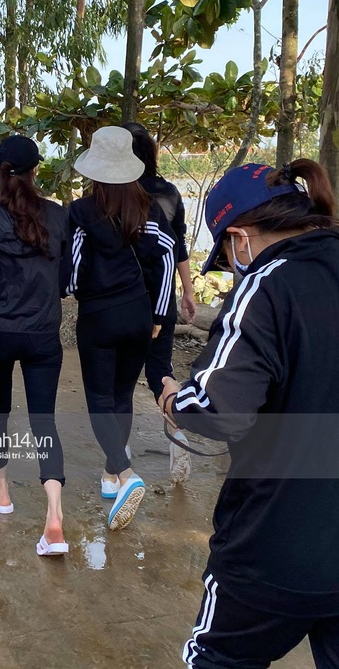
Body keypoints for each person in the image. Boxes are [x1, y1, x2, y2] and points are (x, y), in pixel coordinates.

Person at [160, 160, 339, 668]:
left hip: (275, 546)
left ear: (240, 238)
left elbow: (219, 408)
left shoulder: (266, 285)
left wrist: (177, 399)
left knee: (215, 659)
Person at [0, 135, 69, 556]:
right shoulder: (58, 217)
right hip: (43, 333)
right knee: (45, 420)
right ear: (36, 170)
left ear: (1, 171)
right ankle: (54, 518)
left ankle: (0, 492)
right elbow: (64, 282)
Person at [67, 126, 176, 531]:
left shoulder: (81, 212)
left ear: (94, 169)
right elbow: (166, 256)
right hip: (139, 314)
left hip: (98, 317)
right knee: (122, 396)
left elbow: (74, 269)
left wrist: (72, 288)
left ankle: (126, 472)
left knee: (98, 398)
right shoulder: (148, 210)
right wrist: (160, 316)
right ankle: (111, 477)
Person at [124, 122, 196, 482]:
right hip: (162, 297)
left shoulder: (115, 191)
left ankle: (118, 463)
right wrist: (188, 290)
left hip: (122, 300)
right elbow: (177, 246)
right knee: (160, 371)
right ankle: (178, 435)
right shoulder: (169, 193)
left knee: (115, 381)